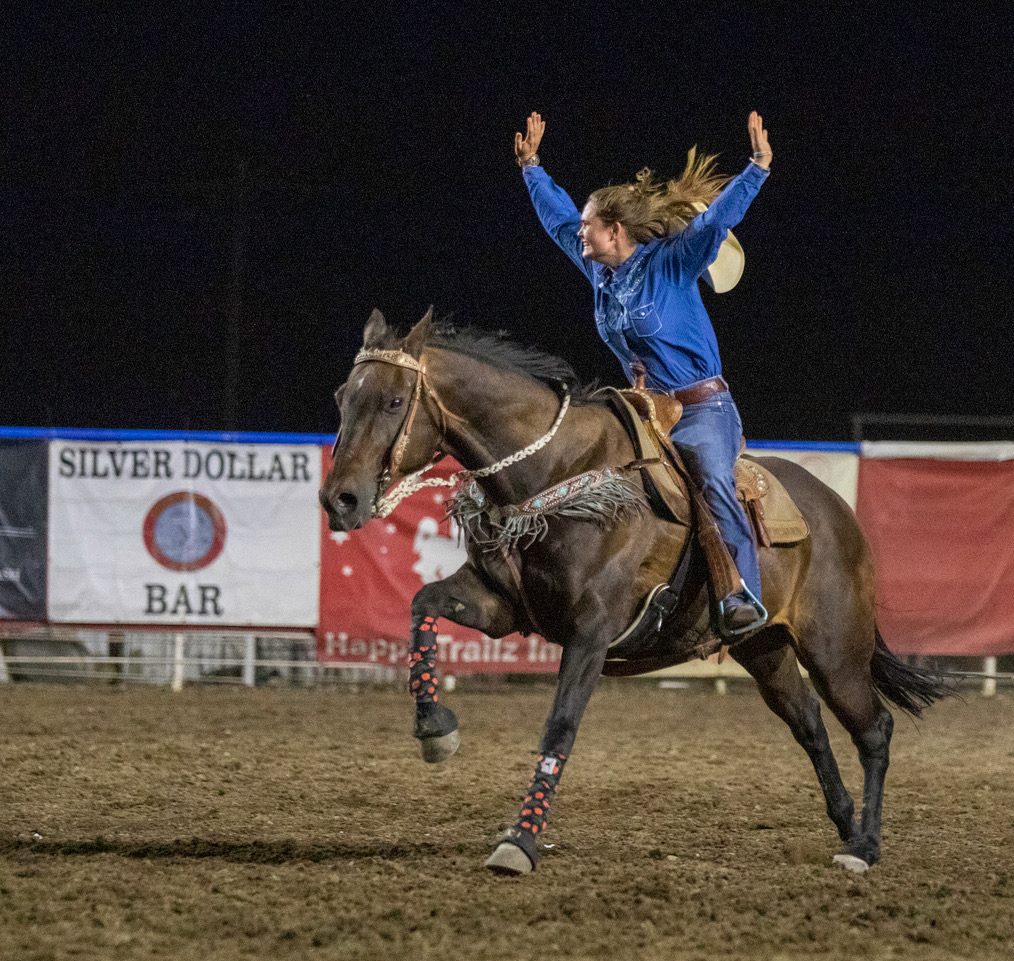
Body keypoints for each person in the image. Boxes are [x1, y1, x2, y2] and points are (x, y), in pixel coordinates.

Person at [514, 110, 772, 636]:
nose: (579, 231)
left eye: (589, 225)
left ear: (615, 230)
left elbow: (715, 221)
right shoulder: (598, 268)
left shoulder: (673, 261)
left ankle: (742, 595)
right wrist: (531, 167)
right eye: (583, 225)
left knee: (713, 479)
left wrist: (757, 167)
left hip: (702, 407)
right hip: (642, 410)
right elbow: (556, 216)